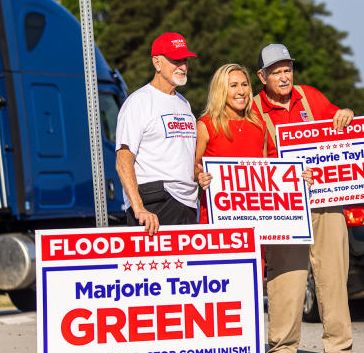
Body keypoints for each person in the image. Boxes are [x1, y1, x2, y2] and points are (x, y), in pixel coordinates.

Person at [251, 43, 364, 353]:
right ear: (262, 76)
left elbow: (341, 128)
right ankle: (281, 350)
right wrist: (285, 173)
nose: (284, 76)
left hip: (326, 202)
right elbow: (249, 161)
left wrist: (345, 114)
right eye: (276, 71)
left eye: (287, 69)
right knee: (286, 278)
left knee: (333, 275)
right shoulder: (254, 110)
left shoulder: (310, 96)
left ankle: (338, 350)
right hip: (283, 205)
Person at [115, 32, 199, 234]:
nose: (182, 66)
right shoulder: (139, 102)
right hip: (155, 202)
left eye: (185, 60)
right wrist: (139, 208)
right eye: (175, 60)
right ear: (157, 63)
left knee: (184, 265)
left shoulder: (184, 103)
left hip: (187, 202)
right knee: (158, 266)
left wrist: (199, 174)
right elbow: (123, 160)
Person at [194, 63, 268, 218]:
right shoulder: (206, 125)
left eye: (244, 85)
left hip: (254, 216)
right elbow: (194, 168)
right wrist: (201, 176)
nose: (241, 91)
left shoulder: (259, 124)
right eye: (233, 86)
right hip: (217, 215)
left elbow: (267, 171)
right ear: (220, 90)